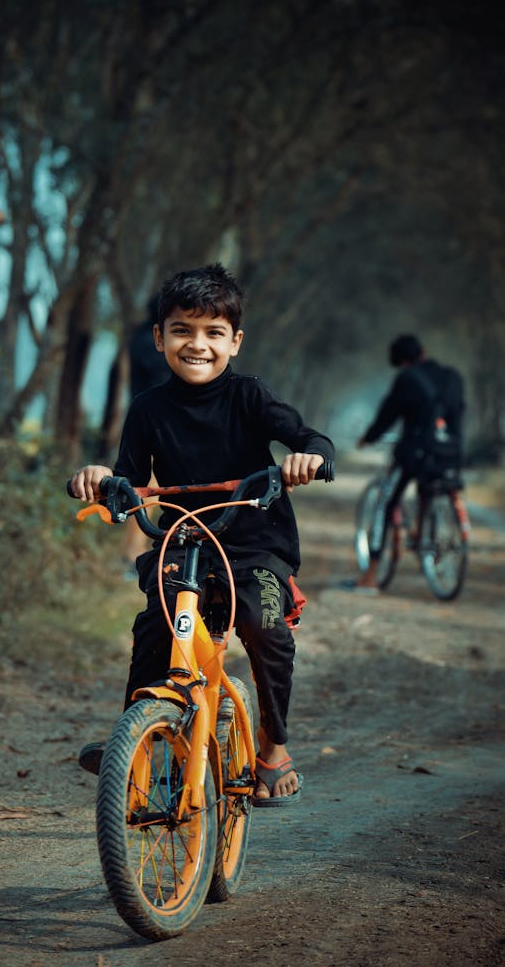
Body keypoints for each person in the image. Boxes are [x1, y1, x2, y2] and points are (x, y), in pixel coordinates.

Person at [69, 263, 335, 804]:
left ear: (234, 342)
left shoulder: (250, 397)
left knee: (265, 627)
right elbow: (127, 477)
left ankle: (274, 744)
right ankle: (134, 739)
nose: (198, 344)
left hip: (256, 542)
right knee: (154, 626)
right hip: (186, 542)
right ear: (159, 338)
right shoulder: (147, 409)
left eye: (213, 333)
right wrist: (100, 480)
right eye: (183, 330)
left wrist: (310, 458)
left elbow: (309, 435)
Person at [351, 333, 465, 592]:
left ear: (399, 361)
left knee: (384, 504)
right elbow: (458, 415)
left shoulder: (407, 379)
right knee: (430, 487)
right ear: (422, 352)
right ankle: (423, 534)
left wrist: (368, 438)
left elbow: (387, 416)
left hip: (415, 455)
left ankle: (371, 574)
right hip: (450, 454)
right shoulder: (452, 376)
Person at [121, 296, 171, 571]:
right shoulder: (155, 344)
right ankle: (134, 556)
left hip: (139, 419)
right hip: (157, 424)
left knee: (141, 492)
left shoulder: (139, 338)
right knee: (146, 493)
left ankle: (131, 553)